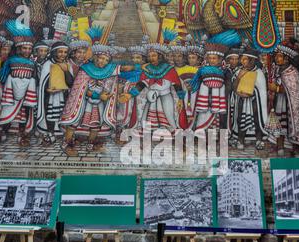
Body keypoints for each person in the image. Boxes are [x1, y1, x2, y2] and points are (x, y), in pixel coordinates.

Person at [60, 27, 133, 156]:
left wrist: (141, 65)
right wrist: (97, 95)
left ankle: (91, 143)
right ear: (96, 58)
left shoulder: (108, 69)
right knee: (74, 122)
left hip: (98, 103)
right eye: (101, 58)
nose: (103, 62)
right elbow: (81, 89)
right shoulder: (85, 69)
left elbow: (126, 68)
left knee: (95, 124)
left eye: (106, 60)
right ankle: (67, 143)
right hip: (83, 103)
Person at [118, 42, 188, 138]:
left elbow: (176, 84)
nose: (151, 58)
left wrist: (180, 99)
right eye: (149, 56)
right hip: (151, 96)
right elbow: (142, 84)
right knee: (148, 113)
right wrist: (130, 95)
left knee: (168, 113)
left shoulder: (169, 68)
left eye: (154, 55)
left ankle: (169, 128)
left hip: (166, 95)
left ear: (160, 56)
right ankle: (151, 130)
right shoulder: (147, 69)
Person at [0, 20, 38, 147]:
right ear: (19, 48)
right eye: (25, 48)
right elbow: (3, 76)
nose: (27, 51)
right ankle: (3, 132)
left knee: (24, 113)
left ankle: (22, 135)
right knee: (8, 111)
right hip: (11, 92)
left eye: (29, 48)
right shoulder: (11, 60)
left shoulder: (32, 63)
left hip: (27, 92)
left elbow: (35, 76)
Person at [36, 41, 74, 145]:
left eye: (65, 52)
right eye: (60, 52)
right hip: (50, 96)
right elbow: (43, 82)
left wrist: (66, 70)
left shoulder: (67, 65)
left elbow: (70, 83)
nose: (63, 54)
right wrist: (47, 89)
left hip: (62, 95)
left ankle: (61, 133)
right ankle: (50, 132)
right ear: (54, 52)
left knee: (60, 114)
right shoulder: (48, 64)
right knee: (50, 114)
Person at [231, 47, 268, 150]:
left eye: (245, 59)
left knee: (257, 119)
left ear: (252, 60)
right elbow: (234, 88)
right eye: (241, 59)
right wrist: (239, 78)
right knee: (240, 119)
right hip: (241, 101)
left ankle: (258, 140)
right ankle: (240, 140)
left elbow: (262, 91)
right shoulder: (239, 71)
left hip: (255, 101)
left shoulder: (259, 73)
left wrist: (252, 93)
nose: (242, 61)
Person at [269, 39, 299, 153]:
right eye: (276, 56)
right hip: (279, 103)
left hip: (289, 105)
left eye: (279, 56)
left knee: (289, 124)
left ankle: (294, 147)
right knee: (279, 124)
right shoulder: (277, 69)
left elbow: (293, 90)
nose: (276, 59)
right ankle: (280, 146)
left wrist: (276, 88)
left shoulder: (292, 72)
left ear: (286, 58)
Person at [189, 41, 228, 131]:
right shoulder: (202, 70)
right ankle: (201, 134)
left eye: (214, 58)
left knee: (215, 119)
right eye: (210, 58)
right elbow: (196, 82)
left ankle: (213, 137)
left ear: (219, 60)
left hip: (217, 99)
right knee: (202, 117)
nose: (212, 60)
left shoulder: (224, 71)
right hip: (204, 100)